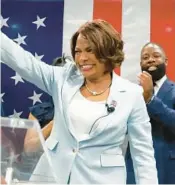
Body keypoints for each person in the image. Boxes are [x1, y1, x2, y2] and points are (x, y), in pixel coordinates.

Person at [1, 19, 158, 184]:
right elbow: (24, 62)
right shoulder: (62, 79)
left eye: (90, 50)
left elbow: (143, 154)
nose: (82, 58)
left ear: (107, 51)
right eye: (77, 51)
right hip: (52, 177)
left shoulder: (131, 95)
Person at [126, 42, 175, 184]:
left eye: (156, 56)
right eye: (145, 57)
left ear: (166, 61)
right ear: (141, 63)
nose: (151, 60)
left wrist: (150, 100)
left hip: (168, 168)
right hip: (135, 168)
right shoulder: (132, 93)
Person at [24, 55, 69, 153]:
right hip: (46, 162)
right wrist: (54, 123)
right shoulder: (38, 112)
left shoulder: (85, 106)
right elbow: (29, 150)